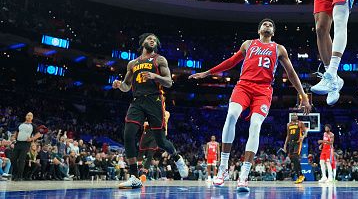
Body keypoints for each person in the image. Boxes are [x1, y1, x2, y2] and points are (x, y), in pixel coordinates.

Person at [190, 18, 311, 193]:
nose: (268, 25)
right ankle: (223, 167)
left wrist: (303, 96)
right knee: (231, 115)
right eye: (265, 24)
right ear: (259, 30)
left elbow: (291, 73)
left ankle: (244, 175)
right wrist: (208, 72)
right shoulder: (248, 44)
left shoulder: (279, 49)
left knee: (255, 125)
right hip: (244, 86)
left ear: (273, 32)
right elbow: (231, 62)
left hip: (263, 91)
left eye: (271, 25)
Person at [112, 33, 188, 189]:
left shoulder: (159, 60)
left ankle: (177, 157)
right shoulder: (132, 63)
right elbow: (127, 86)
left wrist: (154, 76)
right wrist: (120, 85)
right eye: (149, 39)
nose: (152, 40)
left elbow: (169, 82)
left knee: (160, 141)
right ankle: (134, 177)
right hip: (137, 101)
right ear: (143, 43)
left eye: (155, 39)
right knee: (128, 134)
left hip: (154, 100)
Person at [10, 112, 42, 181]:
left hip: (26, 144)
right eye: (28, 115)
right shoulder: (20, 124)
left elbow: (39, 134)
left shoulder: (33, 126)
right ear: (26, 116)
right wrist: (13, 137)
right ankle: (15, 174)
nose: (29, 116)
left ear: (32, 118)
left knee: (21, 160)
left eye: (31, 116)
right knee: (13, 159)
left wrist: (31, 139)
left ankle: (19, 176)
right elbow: (17, 133)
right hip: (18, 143)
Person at [284, 113, 308, 184]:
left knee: (295, 157)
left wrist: (303, 137)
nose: (294, 116)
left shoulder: (300, 123)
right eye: (293, 115)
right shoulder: (288, 124)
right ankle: (299, 176)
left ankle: (301, 175)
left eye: (295, 115)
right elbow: (288, 135)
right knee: (293, 160)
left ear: (297, 117)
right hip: (291, 143)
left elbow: (306, 132)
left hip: (298, 142)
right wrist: (285, 145)